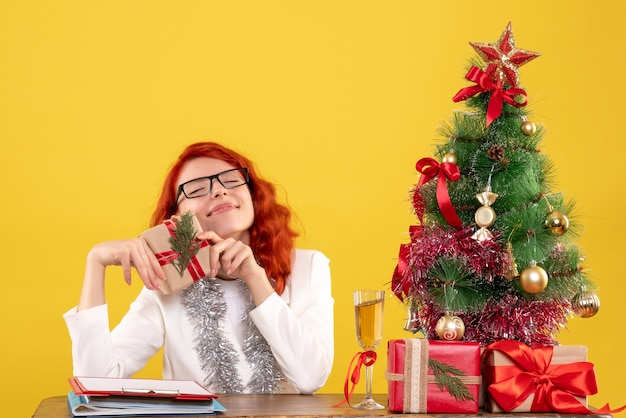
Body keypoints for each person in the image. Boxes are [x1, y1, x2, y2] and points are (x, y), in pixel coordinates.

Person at [64, 142, 334, 394]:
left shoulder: (308, 266)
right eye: (195, 188)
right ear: (177, 215)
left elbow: (311, 378)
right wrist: (95, 262)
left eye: (231, 180)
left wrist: (256, 278)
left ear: (253, 195)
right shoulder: (167, 284)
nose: (219, 191)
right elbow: (94, 382)